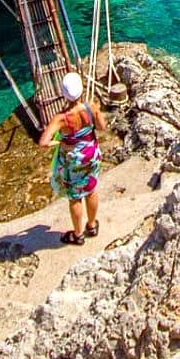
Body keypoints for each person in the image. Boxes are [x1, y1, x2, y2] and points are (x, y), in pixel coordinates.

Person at [39, 71, 106, 245]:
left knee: (75, 197)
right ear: (81, 89)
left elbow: (43, 142)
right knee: (91, 190)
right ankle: (91, 225)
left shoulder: (61, 119)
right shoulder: (91, 106)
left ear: (64, 93)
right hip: (91, 154)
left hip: (73, 160)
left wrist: (61, 143)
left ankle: (78, 234)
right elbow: (102, 127)